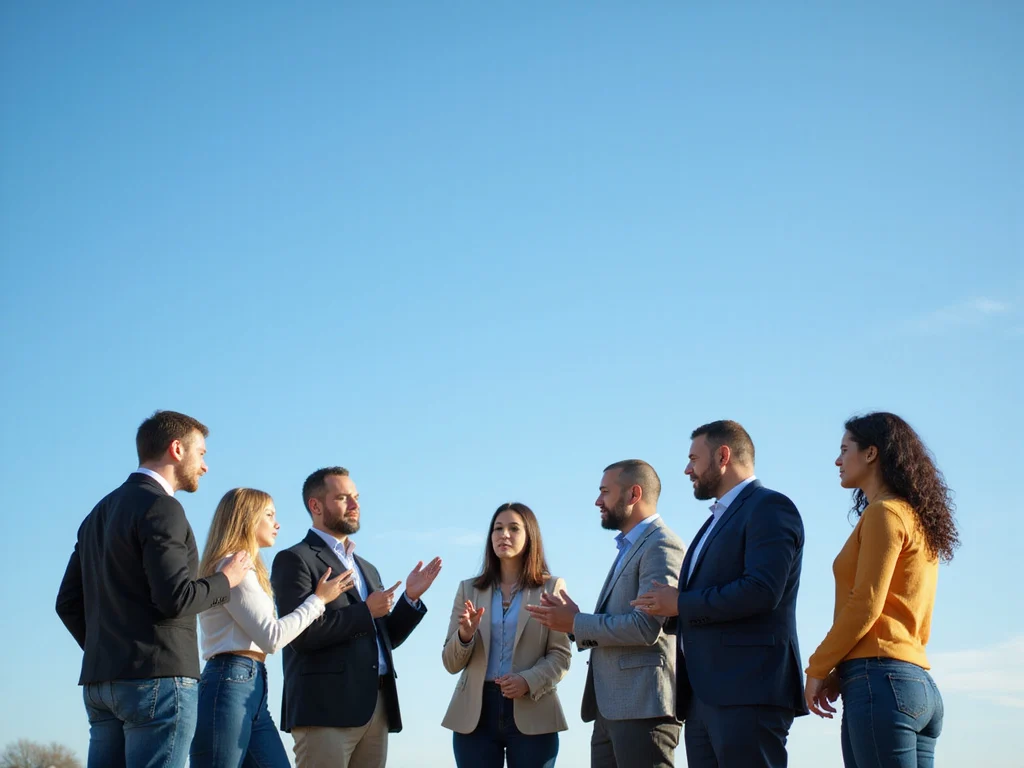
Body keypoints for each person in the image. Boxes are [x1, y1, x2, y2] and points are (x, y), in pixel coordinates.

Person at [55, 410, 252, 768]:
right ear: (177, 449)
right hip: (158, 683)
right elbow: (176, 598)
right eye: (202, 454)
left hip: (102, 683)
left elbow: (67, 603)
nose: (205, 466)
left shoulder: (97, 514)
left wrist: (113, 649)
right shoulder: (163, 507)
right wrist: (228, 579)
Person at [634, 420, 807, 768]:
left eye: (694, 459)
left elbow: (761, 590)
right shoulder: (712, 522)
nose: (687, 469)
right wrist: (669, 610)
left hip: (748, 692)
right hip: (703, 698)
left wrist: (680, 602)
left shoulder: (770, 508)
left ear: (723, 456)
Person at [804, 413, 959, 767]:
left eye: (845, 450)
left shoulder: (884, 514)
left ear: (871, 453)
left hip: (880, 683)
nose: (838, 460)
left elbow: (866, 605)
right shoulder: (914, 517)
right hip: (917, 686)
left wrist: (817, 667)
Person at [270, 466, 443, 768]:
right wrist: (365, 610)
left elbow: (383, 637)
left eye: (356, 497)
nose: (355, 504)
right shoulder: (295, 559)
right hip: (325, 711)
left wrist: (410, 599)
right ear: (316, 505)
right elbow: (299, 636)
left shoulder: (367, 567)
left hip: (376, 710)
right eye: (343, 497)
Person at [527, 460, 685, 768]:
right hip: (610, 709)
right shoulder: (631, 546)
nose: (598, 501)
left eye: (605, 492)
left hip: (642, 709)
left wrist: (576, 622)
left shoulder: (661, 544)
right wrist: (575, 623)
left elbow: (645, 627)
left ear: (634, 494)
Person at [190, 487, 357, 767]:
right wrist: (319, 600)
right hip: (230, 681)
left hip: (250, 684)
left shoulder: (245, 568)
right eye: (269, 515)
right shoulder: (235, 567)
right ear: (247, 519)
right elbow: (272, 637)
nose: (277, 523)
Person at [442, 502, 572, 768]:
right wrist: (465, 636)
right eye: (498, 528)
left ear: (530, 535)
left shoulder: (551, 587)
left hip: (533, 708)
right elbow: (450, 663)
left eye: (514, 528)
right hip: (475, 715)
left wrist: (527, 680)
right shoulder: (468, 589)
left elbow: (561, 656)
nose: (504, 535)